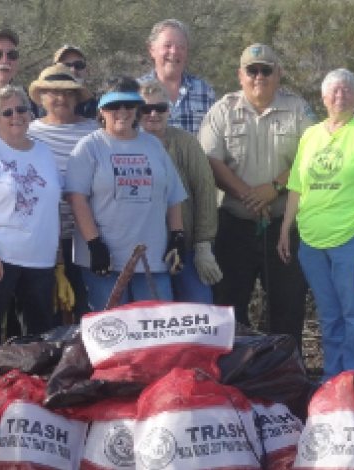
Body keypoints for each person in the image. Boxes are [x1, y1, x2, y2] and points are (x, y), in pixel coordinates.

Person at [277, 69, 354, 380]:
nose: (340, 95)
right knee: (329, 316)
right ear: (323, 97)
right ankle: (333, 381)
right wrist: (286, 228)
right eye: (334, 91)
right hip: (313, 242)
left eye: (346, 90)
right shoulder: (310, 136)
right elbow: (297, 187)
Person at [199, 43, 313, 347]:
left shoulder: (297, 108)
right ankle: (237, 377)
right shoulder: (223, 110)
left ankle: (288, 374)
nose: (259, 76)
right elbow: (210, 159)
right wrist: (249, 195)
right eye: (252, 70)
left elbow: (313, 157)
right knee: (230, 307)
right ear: (240, 75)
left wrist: (273, 188)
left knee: (288, 306)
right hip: (235, 224)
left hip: (284, 227)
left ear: (278, 74)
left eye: (266, 70)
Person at [66, 77, 188, 310]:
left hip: (152, 259)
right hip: (106, 261)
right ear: (102, 110)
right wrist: (94, 244)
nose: (122, 111)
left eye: (129, 105)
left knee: (156, 331)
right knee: (112, 334)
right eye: (114, 106)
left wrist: (177, 237)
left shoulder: (153, 146)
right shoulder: (89, 147)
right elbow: (76, 198)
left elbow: (173, 195)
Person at [0, 86, 62, 349]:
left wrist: (58, 261)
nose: (16, 116)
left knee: (37, 339)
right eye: (7, 112)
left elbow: (52, 208)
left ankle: (31, 388)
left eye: (21, 109)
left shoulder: (44, 152)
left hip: (40, 261)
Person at [140, 79, 222, 303]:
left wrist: (204, 244)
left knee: (199, 313)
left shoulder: (186, 143)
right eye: (146, 108)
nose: (153, 114)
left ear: (169, 110)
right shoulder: (129, 145)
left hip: (187, 248)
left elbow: (205, 191)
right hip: (146, 253)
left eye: (160, 108)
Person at [27, 63, 98, 321]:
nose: (61, 98)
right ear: (43, 97)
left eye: (68, 93)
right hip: (42, 236)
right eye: (54, 92)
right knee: (46, 310)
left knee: (86, 307)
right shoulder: (29, 132)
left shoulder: (93, 131)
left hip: (86, 235)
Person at [138, 19, 215, 135]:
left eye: (181, 47)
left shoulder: (205, 92)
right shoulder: (135, 91)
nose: (174, 52)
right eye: (167, 46)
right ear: (152, 49)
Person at [52, 44, 98, 118]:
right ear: (54, 71)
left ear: (87, 70)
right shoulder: (43, 106)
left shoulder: (100, 107)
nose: (73, 70)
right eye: (65, 66)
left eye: (78, 65)